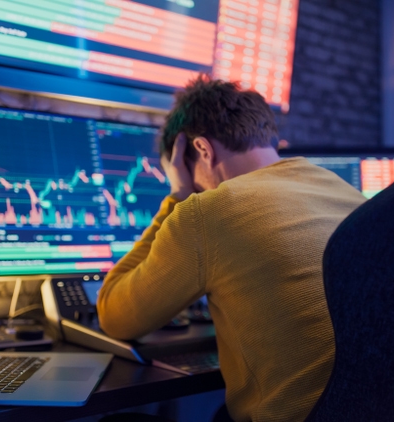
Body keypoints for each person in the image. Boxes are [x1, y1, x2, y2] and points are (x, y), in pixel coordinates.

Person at [96, 75, 366, 421]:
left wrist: (177, 197)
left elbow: (113, 315)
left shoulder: (206, 212)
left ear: (202, 150)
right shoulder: (346, 193)